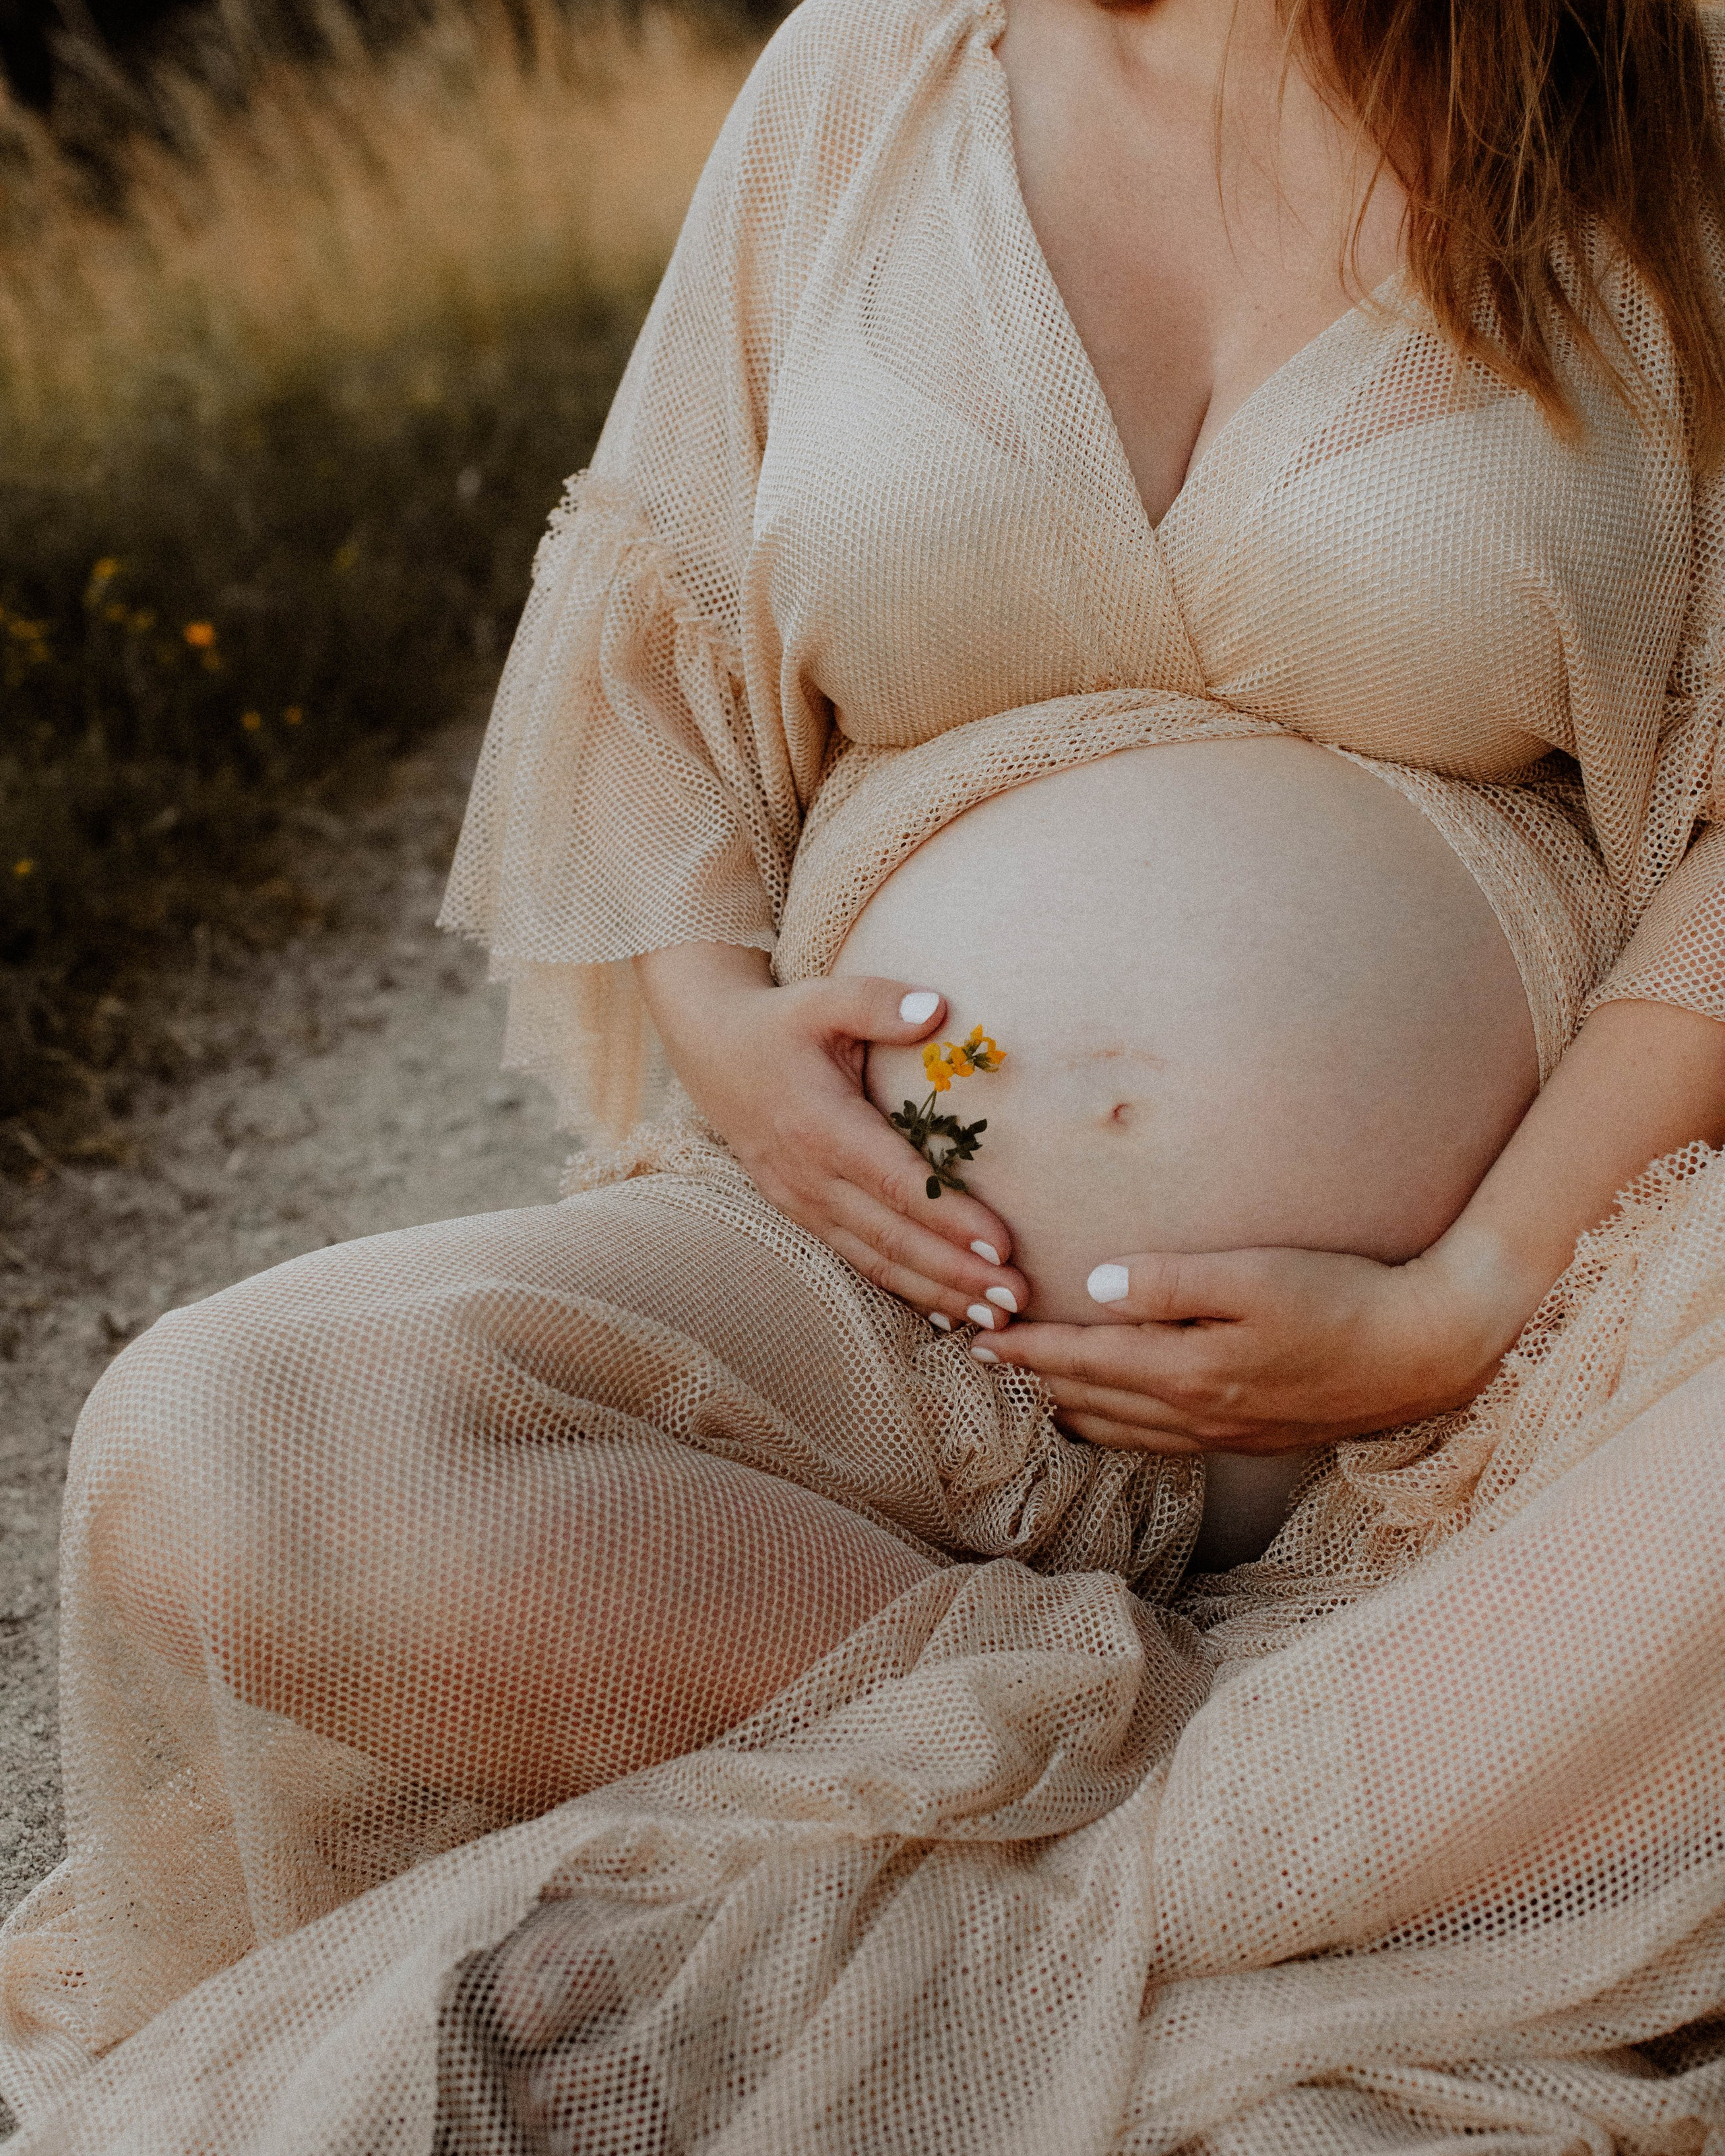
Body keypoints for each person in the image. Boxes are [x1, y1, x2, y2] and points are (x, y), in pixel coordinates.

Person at [6, 0, 1725, 2144]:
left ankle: (1005, 1882)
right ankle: (1264, 1800)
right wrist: (727, 1037)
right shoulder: (870, 78)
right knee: (221, 1446)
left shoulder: (1656, 111)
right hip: (883, 1335)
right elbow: (654, 640)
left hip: (1522, 1370)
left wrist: (1452, 1302)